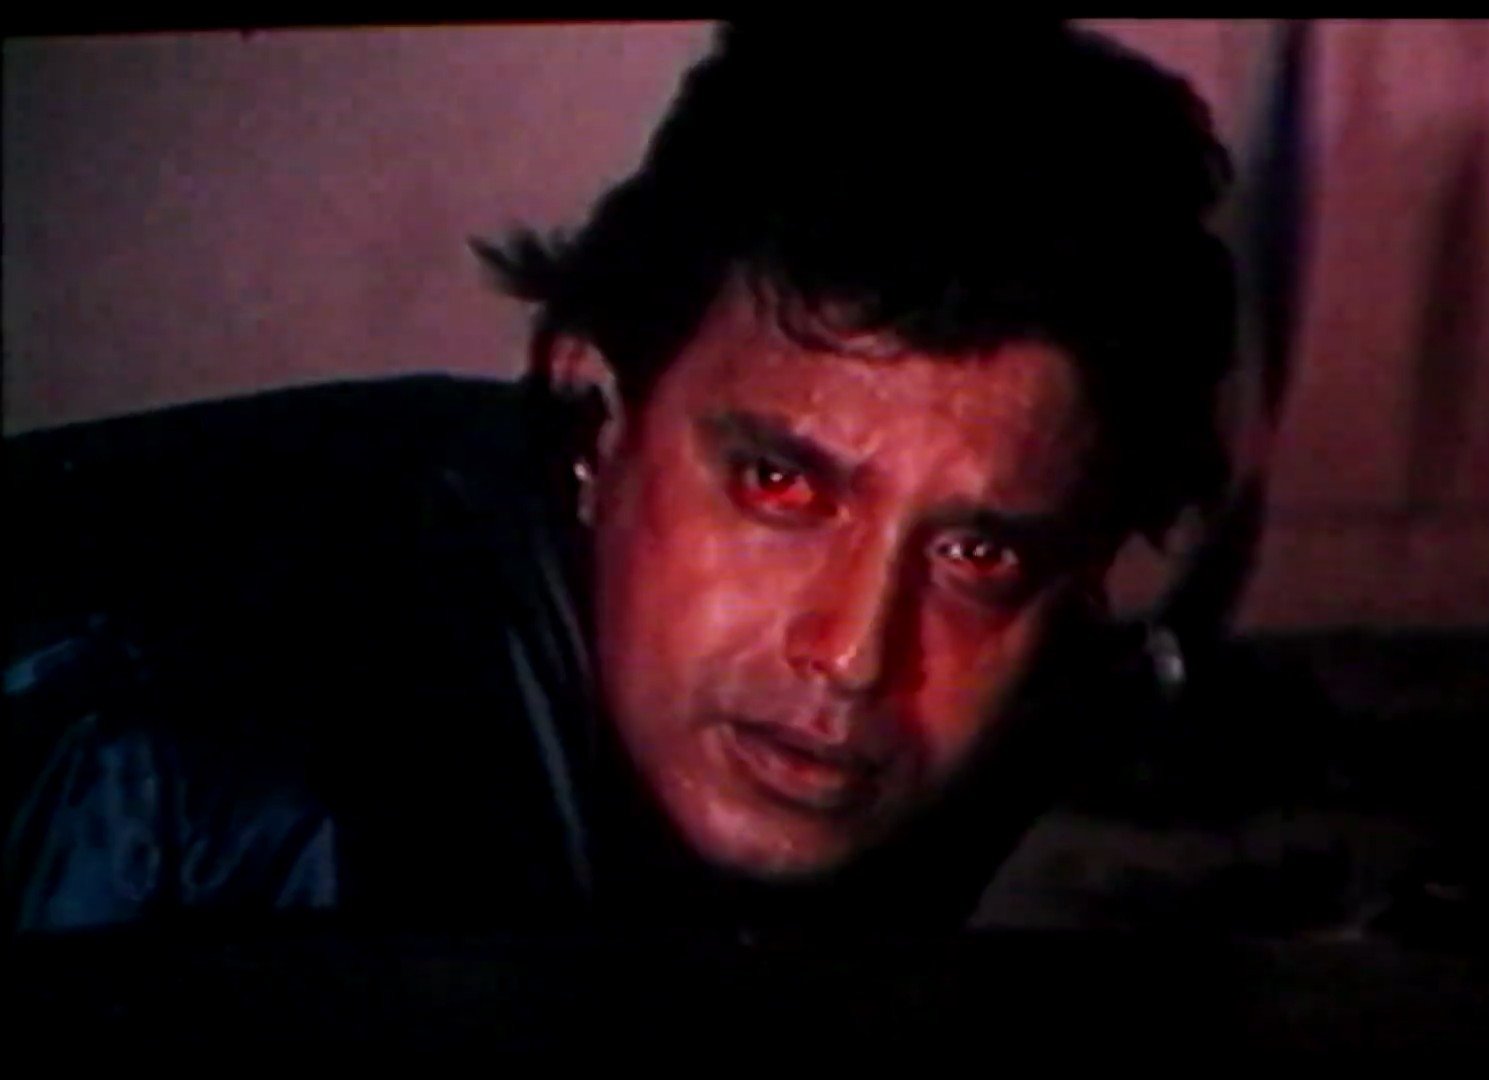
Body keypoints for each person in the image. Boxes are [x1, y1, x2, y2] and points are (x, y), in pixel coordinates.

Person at [3, 21, 1243, 943]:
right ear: (595, 413)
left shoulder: (1036, 705)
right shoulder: (197, 785)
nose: (856, 655)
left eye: (976, 554)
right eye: (779, 486)